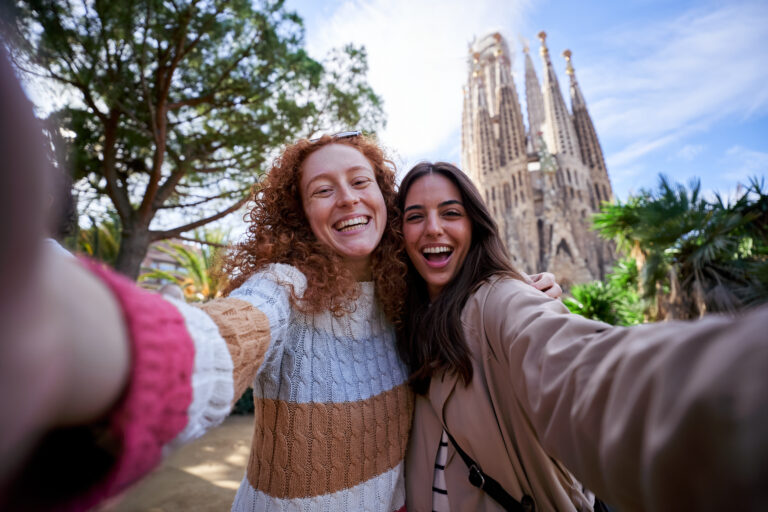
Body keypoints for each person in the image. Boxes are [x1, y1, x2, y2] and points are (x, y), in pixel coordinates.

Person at [0, 48, 561, 511]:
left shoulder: (404, 299)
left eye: (360, 181)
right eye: (323, 190)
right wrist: (97, 339)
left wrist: (520, 293)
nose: (347, 199)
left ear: (384, 198)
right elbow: (220, 341)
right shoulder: (287, 289)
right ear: (301, 215)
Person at [396, 161, 768, 512]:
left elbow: (579, 367)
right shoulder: (406, 326)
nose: (433, 228)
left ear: (475, 224)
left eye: (451, 213)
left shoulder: (501, 301)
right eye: (415, 216)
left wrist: (733, 388)